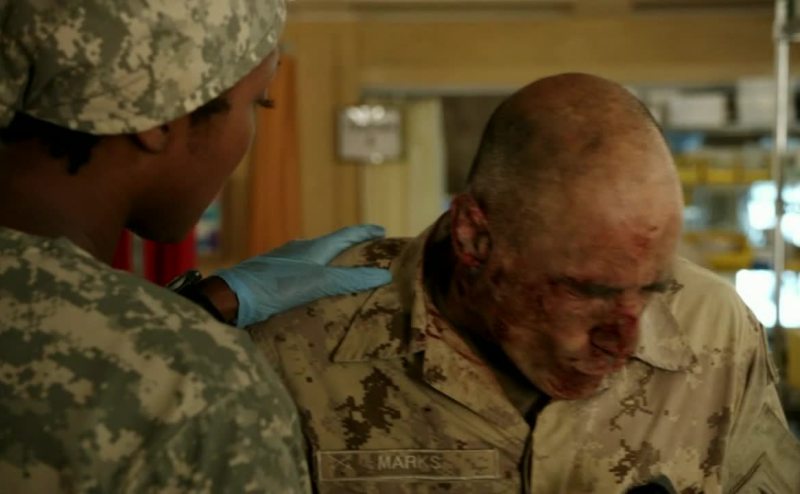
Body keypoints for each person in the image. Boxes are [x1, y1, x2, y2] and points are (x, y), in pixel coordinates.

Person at [250, 73, 800, 493]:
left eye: (654, 288)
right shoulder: (303, 339)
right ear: (473, 237)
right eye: (588, 291)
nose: (626, 340)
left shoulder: (713, 327)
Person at [0, 0, 390, 492]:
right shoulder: (193, 389)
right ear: (159, 118)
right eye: (258, 103)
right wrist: (179, 337)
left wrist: (204, 306)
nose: (250, 133)